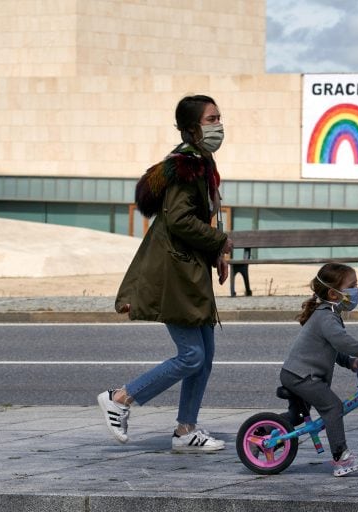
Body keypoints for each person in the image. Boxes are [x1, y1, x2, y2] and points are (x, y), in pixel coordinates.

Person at [97, 94, 233, 452]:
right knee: (191, 356)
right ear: (191, 128)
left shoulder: (202, 162)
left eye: (219, 118)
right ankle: (121, 397)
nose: (219, 125)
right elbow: (180, 219)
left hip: (190, 268)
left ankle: (186, 431)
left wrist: (216, 251)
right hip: (176, 270)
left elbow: (196, 219)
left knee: (204, 355)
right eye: (211, 119)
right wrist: (220, 241)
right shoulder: (187, 166)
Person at [279, 262, 358, 476]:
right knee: (333, 408)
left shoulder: (329, 313)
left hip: (297, 374)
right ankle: (341, 459)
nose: (356, 290)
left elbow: (334, 350)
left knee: (297, 417)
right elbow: (343, 342)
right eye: (352, 286)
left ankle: (265, 436)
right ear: (333, 292)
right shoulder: (326, 316)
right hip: (302, 377)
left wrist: (353, 363)